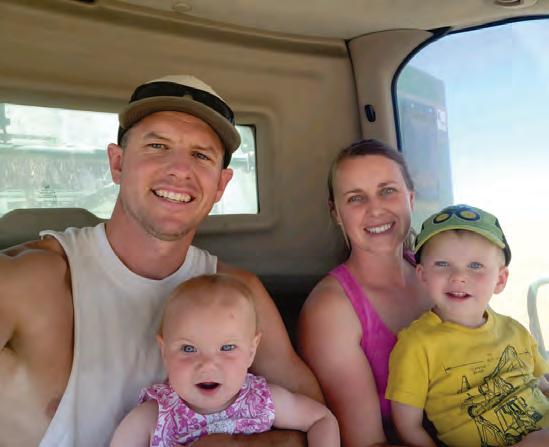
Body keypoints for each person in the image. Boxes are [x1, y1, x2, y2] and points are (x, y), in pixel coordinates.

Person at [0, 74, 322, 447]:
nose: (180, 169)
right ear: (117, 163)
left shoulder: (241, 293)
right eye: (157, 146)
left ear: (220, 185)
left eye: (201, 155)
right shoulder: (31, 280)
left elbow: (315, 418)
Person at [298, 139, 432, 446]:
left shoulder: (438, 273)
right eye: (356, 198)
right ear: (336, 213)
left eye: (387, 191)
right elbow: (367, 442)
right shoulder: (331, 310)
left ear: (410, 198)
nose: (375, 209)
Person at [386, 204, 549, 447]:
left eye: (475, 266)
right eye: (442, 264)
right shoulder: (416, 345)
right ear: (423, 275)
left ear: (500, 279)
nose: (459, 276)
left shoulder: (514, 331)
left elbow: (542, 386)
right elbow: (408, 426)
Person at [111, 274, 340, 447]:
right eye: (188, 349)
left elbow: (321, 419)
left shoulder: (262, 400)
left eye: (227, 348)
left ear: (251, 352)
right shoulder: (153, 417)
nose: (208, 364)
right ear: (164, 351)